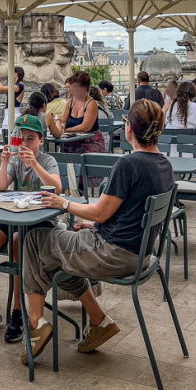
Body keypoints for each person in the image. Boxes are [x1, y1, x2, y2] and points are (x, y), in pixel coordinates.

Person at [24, 99, 174, 362]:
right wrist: (95, 225)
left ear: (128, 128)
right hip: (140, 253)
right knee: (57, 255)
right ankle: (97, 320)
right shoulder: (165, 165)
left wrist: (65, 203)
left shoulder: (129, 165)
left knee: (35, 240)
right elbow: (127, 213)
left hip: (112, 253)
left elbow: (101, 211)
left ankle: (35, 324)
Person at [0, 115, 62, 342]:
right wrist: (5, 162)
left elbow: (57, 188)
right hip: (16, 216)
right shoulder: (17, 162)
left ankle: (18, 311)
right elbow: (0, 186)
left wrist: (35, 164)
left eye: (31, 139)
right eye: (23, 139)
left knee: (19, 241)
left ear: (41, 141)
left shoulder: (47, 161)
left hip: (41, 223)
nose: (26, 143)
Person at [58, 72, 106, 186]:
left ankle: (77, 186)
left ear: (84, 88)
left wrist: (65, 130)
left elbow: (86, 127)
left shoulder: (91, 104)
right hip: (72, 142)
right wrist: (57, 122)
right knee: (61, 156)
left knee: (79, 156)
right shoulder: (70, 102)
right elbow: (63, 122)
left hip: (90, 141)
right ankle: (67, 184)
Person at [89, 85, 113, 151]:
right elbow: (111, 118)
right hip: (105, 143)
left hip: (91, 144)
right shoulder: (104, 107)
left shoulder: (86, 108)